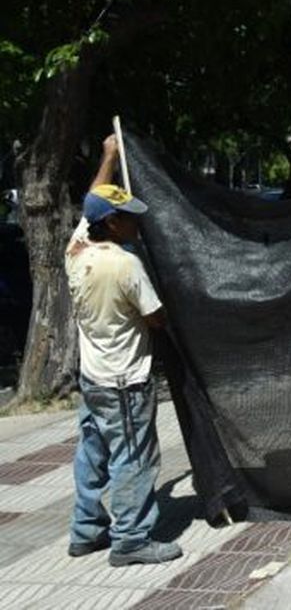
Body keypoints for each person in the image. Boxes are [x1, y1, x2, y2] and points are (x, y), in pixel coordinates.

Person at [65, 135, 181, 566]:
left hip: (93, 378)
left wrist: (109, 157)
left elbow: (92, 199)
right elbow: (155, 317)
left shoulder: (76, 249)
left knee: (92, 453)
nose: (137, 225)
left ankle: (85, 530)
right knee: (133, 456)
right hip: (124, 381)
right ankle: (131, 540)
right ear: (111, 223)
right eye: (129, 218)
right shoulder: (125, 264)